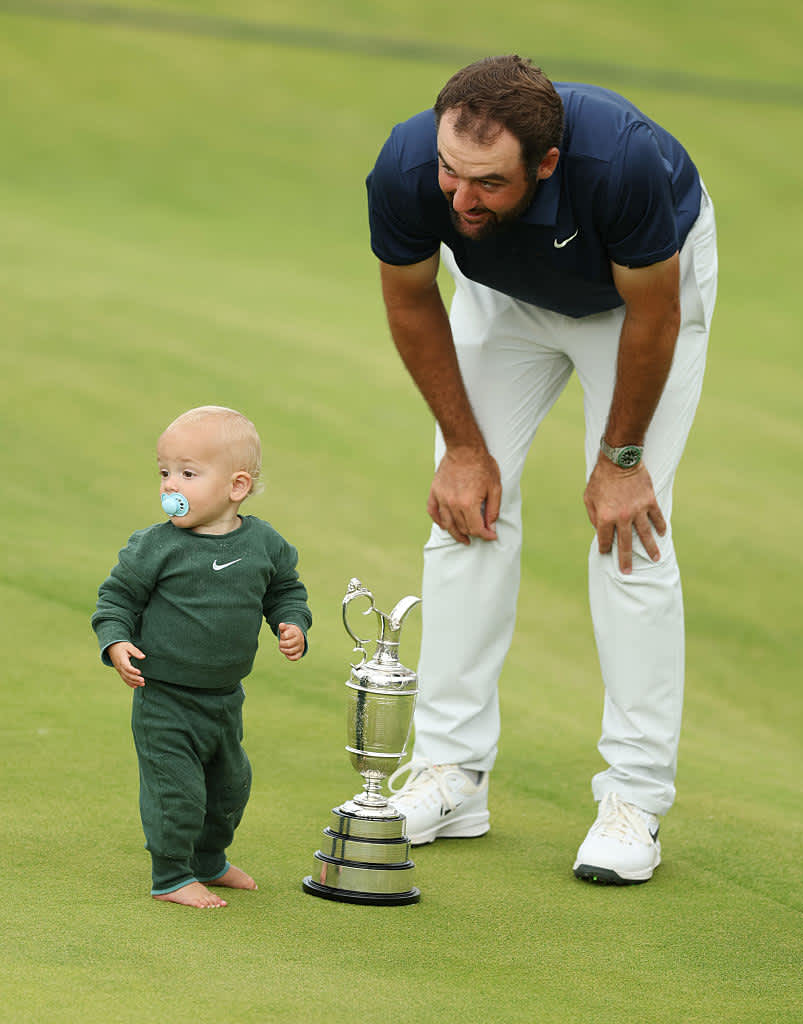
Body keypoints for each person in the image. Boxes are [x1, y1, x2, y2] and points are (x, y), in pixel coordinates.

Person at [367, 55, 718, 884]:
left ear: (546, 165)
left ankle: (632, 800)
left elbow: (655, 315)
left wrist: (620, 461)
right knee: (463, 512)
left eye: (486, 182)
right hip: (501, 299)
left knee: (630, 530)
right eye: (451, 172)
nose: (458, 198)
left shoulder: (623, 166)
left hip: (628, 308)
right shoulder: (411, 165)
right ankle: (450, 773)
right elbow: (411, 299)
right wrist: (460, 447)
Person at [92, 405, 312, 907]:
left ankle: (209, 861)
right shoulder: (155, 546)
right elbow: (117, 599)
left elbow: (286, 591)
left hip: (223, 698)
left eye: (188, 474)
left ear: (236, 486)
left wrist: (292, 622)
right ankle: (171, 875)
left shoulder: (265, 545)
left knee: (230, 788)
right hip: (164, 697)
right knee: (179, 793)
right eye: (165, 473)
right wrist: (115, 639)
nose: (171, 485)